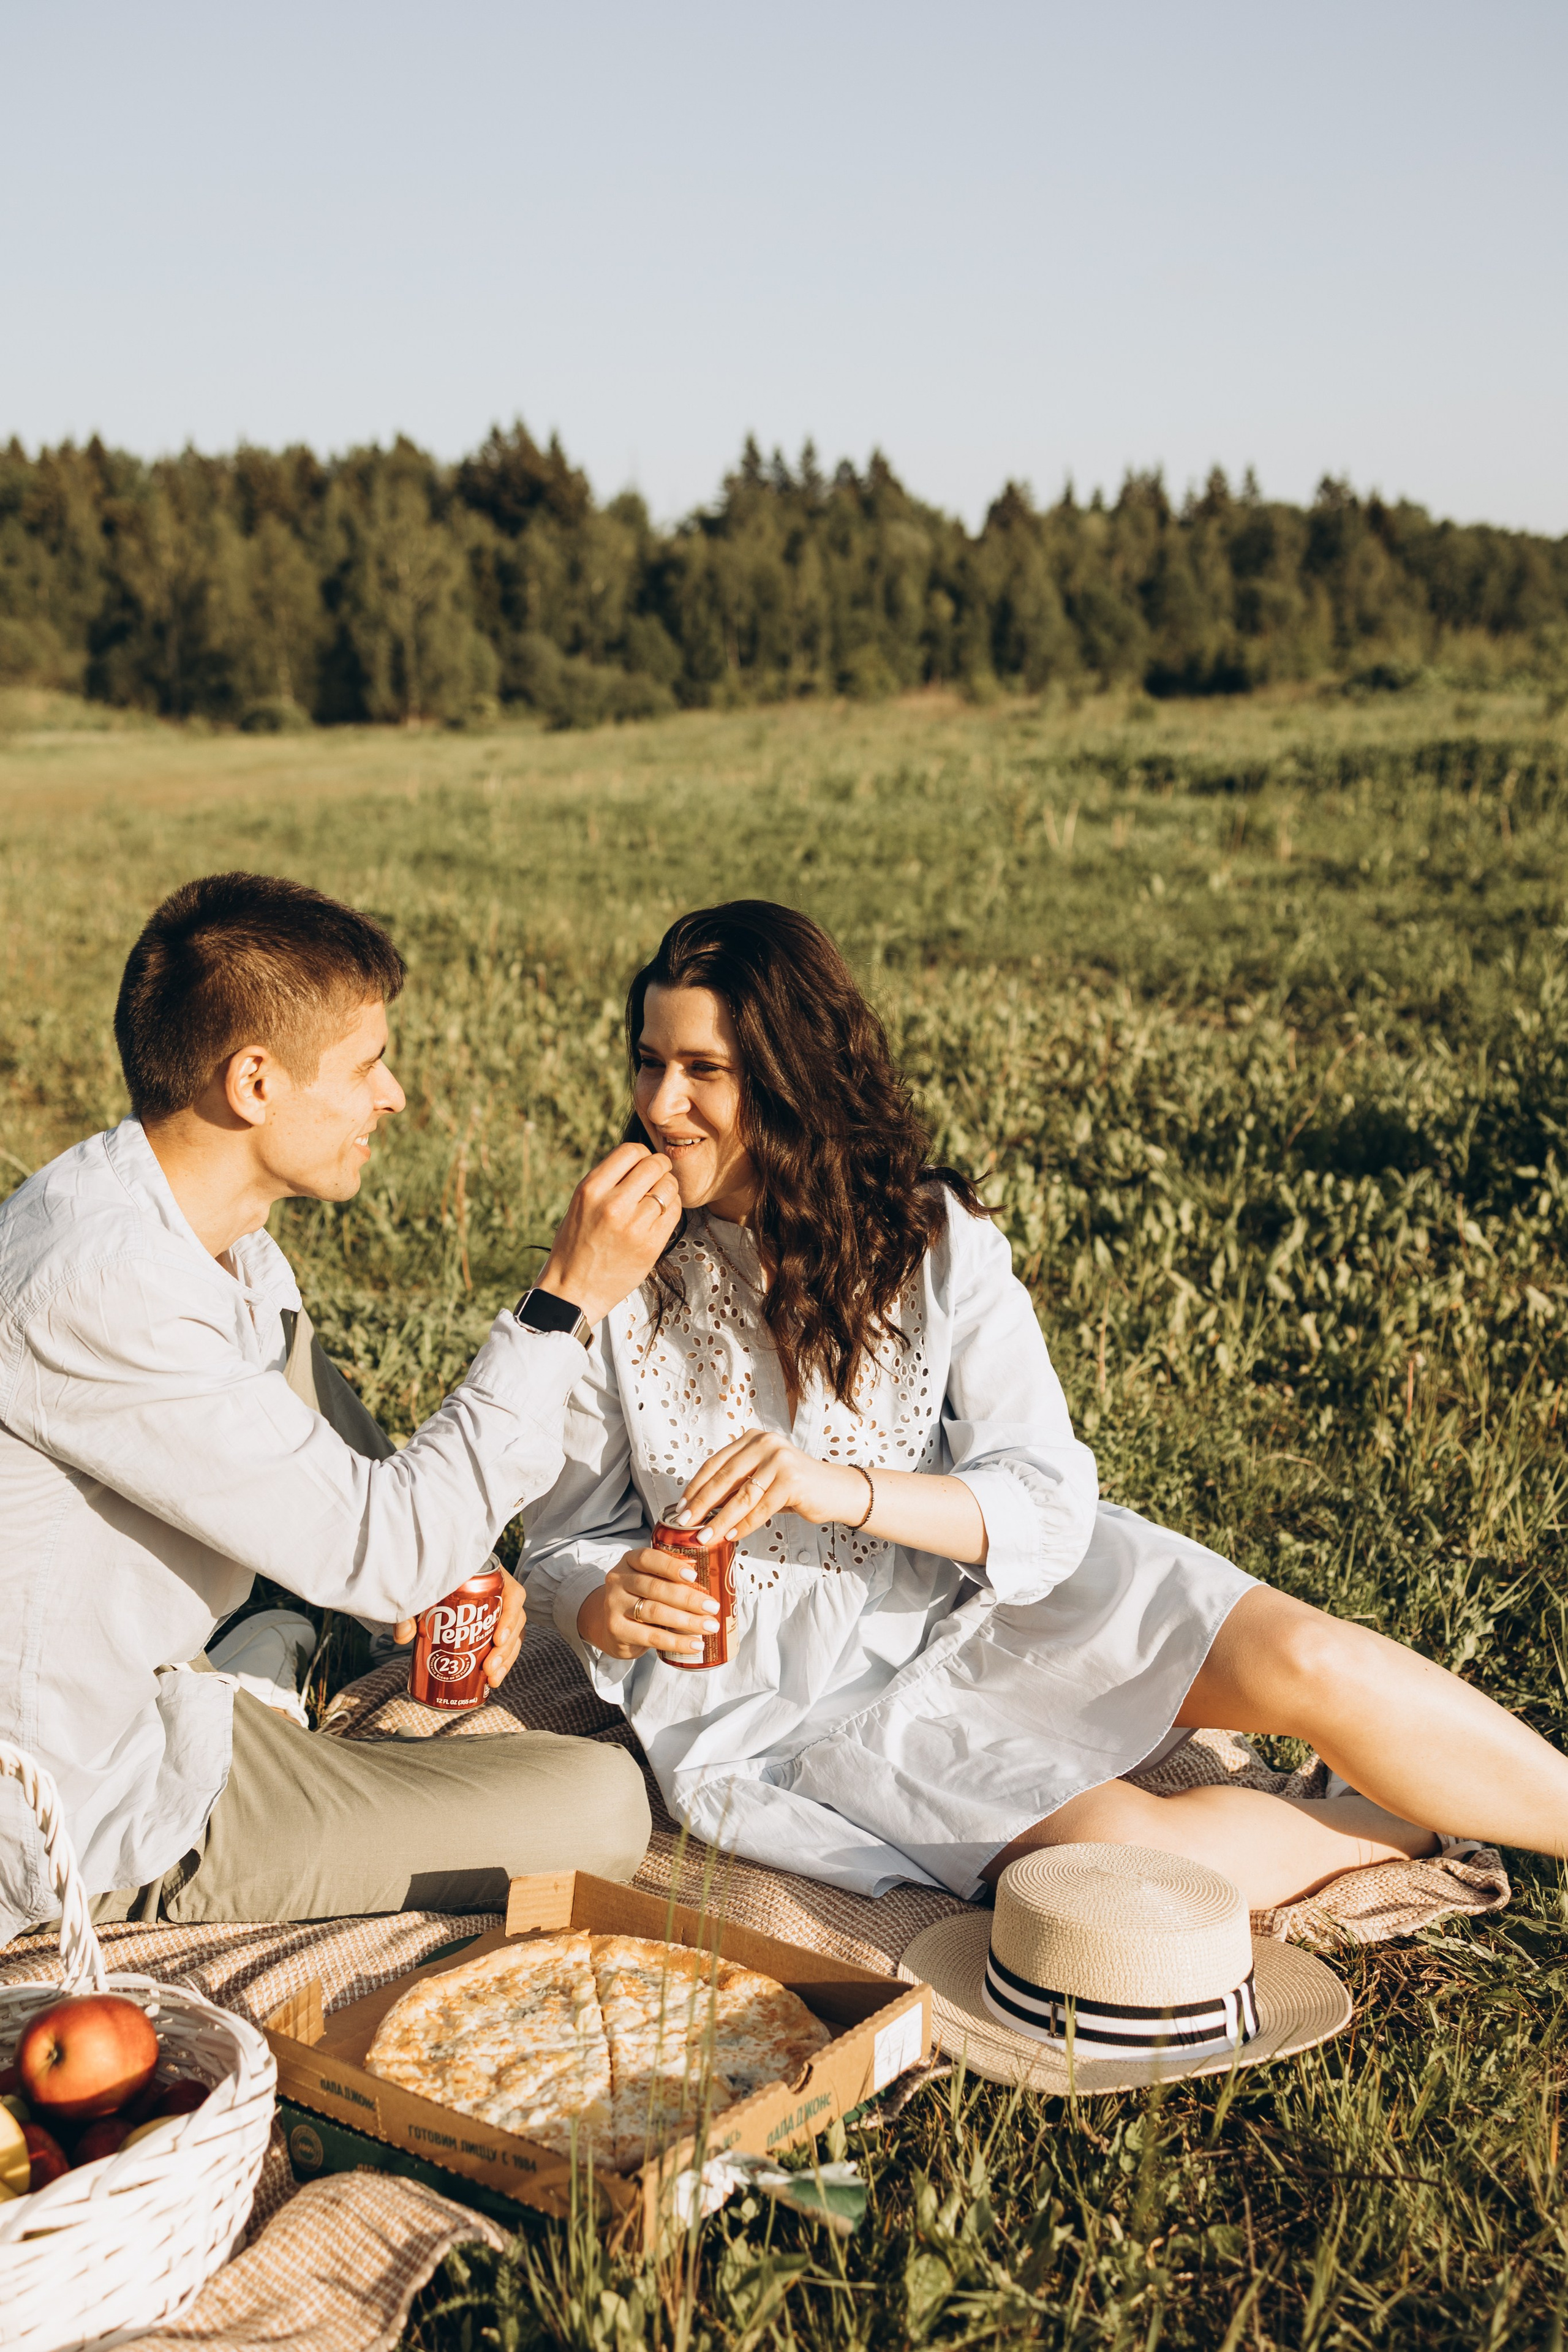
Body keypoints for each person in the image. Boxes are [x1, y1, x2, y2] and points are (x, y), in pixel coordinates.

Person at [523, 901, 1568, 1910]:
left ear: (792, 1078)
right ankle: (1401, 1827)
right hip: (799, 1701)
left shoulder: (930, 1240)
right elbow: (563, 1541)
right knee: (1121, 1866)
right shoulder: (612, 1266)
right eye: (650, 1062)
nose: (661, 1104)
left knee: (1316, 1659)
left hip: (989, 1592)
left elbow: (1047, 1498)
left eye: (704, 1070)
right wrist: (600, 1603)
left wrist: (839, 1489)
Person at [0, 871, 683, 1940]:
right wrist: (565, 1302)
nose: (394, 1095)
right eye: (367, 1064)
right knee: (600, 1805)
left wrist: (465, 1568)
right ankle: (265, 1682)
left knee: (358, 1584)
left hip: (159, 1692)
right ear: (256, 1082)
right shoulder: (105, 1286)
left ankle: (275, 1649)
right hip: (82, 1802)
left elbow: (364, 1494)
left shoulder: (206, 1234)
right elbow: (389, 1554)